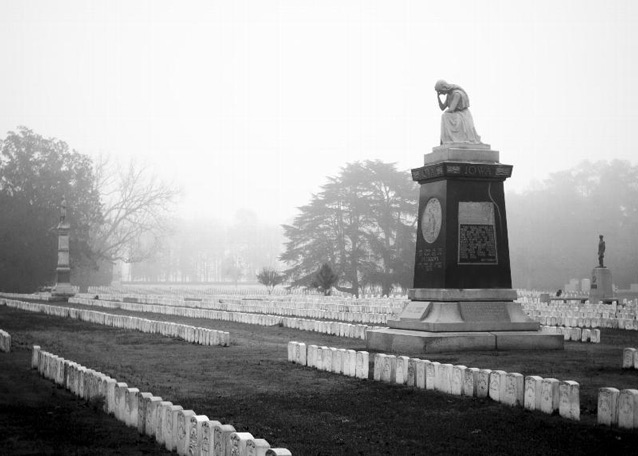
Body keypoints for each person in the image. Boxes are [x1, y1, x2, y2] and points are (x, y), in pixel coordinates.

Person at [434, 80, 482, 145]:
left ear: (444, 88)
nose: (441, 93)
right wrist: (438, 97)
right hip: (455, 114)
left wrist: (446, 112)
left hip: (462, 114)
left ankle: (451, 139)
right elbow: (442, 108)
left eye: (440, 91)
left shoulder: (457, 94)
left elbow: (451, 109)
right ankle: (448, 140)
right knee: (444, 115)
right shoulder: (449, 95)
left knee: (445, 116)